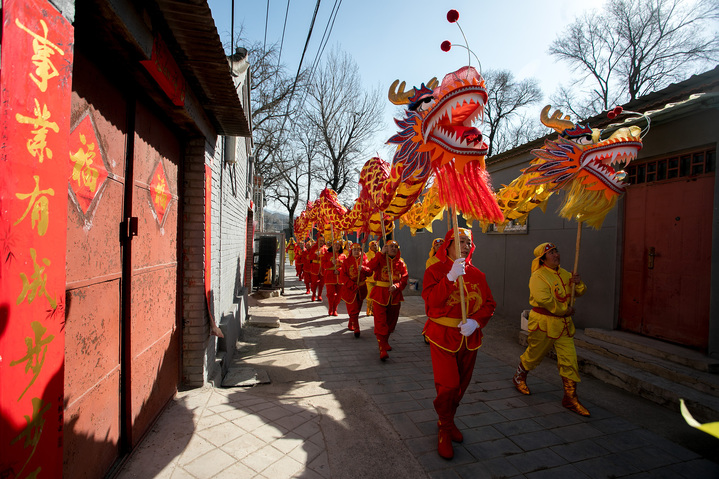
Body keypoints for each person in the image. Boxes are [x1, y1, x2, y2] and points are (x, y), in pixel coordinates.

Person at [422, 228, 496, 460]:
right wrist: (450, 278)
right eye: (460, 241)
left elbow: (489, 304)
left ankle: (448, 419)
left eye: (468, 242)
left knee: (461, 386)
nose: (465, 245)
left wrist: (476, 321)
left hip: (469, 337)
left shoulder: (478, 274)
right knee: (449, 386)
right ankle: (444, 429)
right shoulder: (434, 271)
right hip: (442, 335)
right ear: (448, 245)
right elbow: (431, 302)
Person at [512, 242, 590, 417]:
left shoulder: (566, 273)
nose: (556, 255)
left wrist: (578, 283)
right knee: (535, 354)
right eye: (551, 253)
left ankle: (570, 397)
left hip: (564, 326)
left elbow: (580, 291)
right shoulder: (538, 276)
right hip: (544, 323)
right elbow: (545, 300)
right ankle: (519, 376)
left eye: (556, 251)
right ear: (543, 258)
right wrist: (564, 310)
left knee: (570, 360)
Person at [366, 240, 408, 360]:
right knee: (380, 322)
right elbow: (369, 268)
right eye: (391, 246)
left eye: (396, 247)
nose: (393, 248)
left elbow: (405, 278)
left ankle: (385, 341)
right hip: (380, 294)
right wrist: (380, 254)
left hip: (395, 296)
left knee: (391, 322)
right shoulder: (380, 259)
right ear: (386, 248)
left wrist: (397, 286)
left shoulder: (401, 263)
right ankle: (382, 348)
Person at [339, 242, 370, 338]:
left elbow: (370, 272)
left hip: (361, 289)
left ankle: (351, 323)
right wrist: (352, 285)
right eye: (354, 250)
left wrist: (364, 269)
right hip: (350, 289)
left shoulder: (364, 261)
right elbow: (343, 276)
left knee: (358, 309)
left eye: (358, 250)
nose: (356, 252)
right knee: (353, 309)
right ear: (351, 251)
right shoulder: (346, 262)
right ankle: (356, 327)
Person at [322, 238, 346, 316]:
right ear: (333, 245)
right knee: (331, 294)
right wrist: (331, 263)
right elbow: (323, 265)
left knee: (339, 295)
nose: (337, 246)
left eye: (339, 245)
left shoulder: (343, 256)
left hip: (340, 277)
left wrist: (339, 270)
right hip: (329, 276)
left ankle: (335, 309)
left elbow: (346, 267)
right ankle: (330, 308)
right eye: (335, 244)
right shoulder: (327, 254)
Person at [307, 235, 327, 301]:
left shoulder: (325, 248)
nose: (321, 242)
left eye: (322, 241)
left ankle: (319, 295)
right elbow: (309, 257)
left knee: (321, 283)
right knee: (314, 282)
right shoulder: (313, 248)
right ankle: (313, 295)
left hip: (322, 267)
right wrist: (315, 254)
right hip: (315, 267)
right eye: (320, 241)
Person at [365, 240, 379, 315]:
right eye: (373, 245)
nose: (374, 247)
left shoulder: (381, 254)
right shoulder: (366, 255)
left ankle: (374, 309)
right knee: (369, 295)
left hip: (379, 279)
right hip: (369, 278)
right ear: (370, 246)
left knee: (376, 296)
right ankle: (368, 308)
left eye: (375, 245)